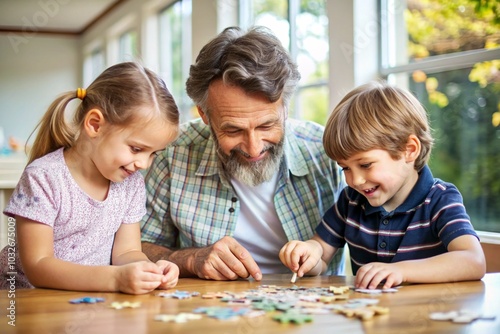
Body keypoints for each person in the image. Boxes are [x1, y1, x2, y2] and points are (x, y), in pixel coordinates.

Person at [140, 26, 346, 281]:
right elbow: (135, 248)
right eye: (233, 130)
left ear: (285, 106)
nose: (254, 147)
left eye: (266, 125)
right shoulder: (171, 154)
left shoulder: (327, 153)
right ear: (204, 115)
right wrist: (190, 259)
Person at [279, 81, 486, 289]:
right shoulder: (351, 200)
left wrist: (401, 271)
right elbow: (322, 256)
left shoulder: (441, 199)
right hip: (369, 317)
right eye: (345, 168)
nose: (355, 180)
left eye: (365, 165)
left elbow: (473, 260)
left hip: (429, 315)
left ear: (409, 150)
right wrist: (310, 252)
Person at [0, 62, 180, 294]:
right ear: (95, 125)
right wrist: (115, 280)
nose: (144, 164)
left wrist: (149, 270)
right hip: (27, 300)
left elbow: (126, 252)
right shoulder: (43, 178)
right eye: (136, 149)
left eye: (153, 153)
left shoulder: (130, 184)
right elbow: (38, 266)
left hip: (88, 300)